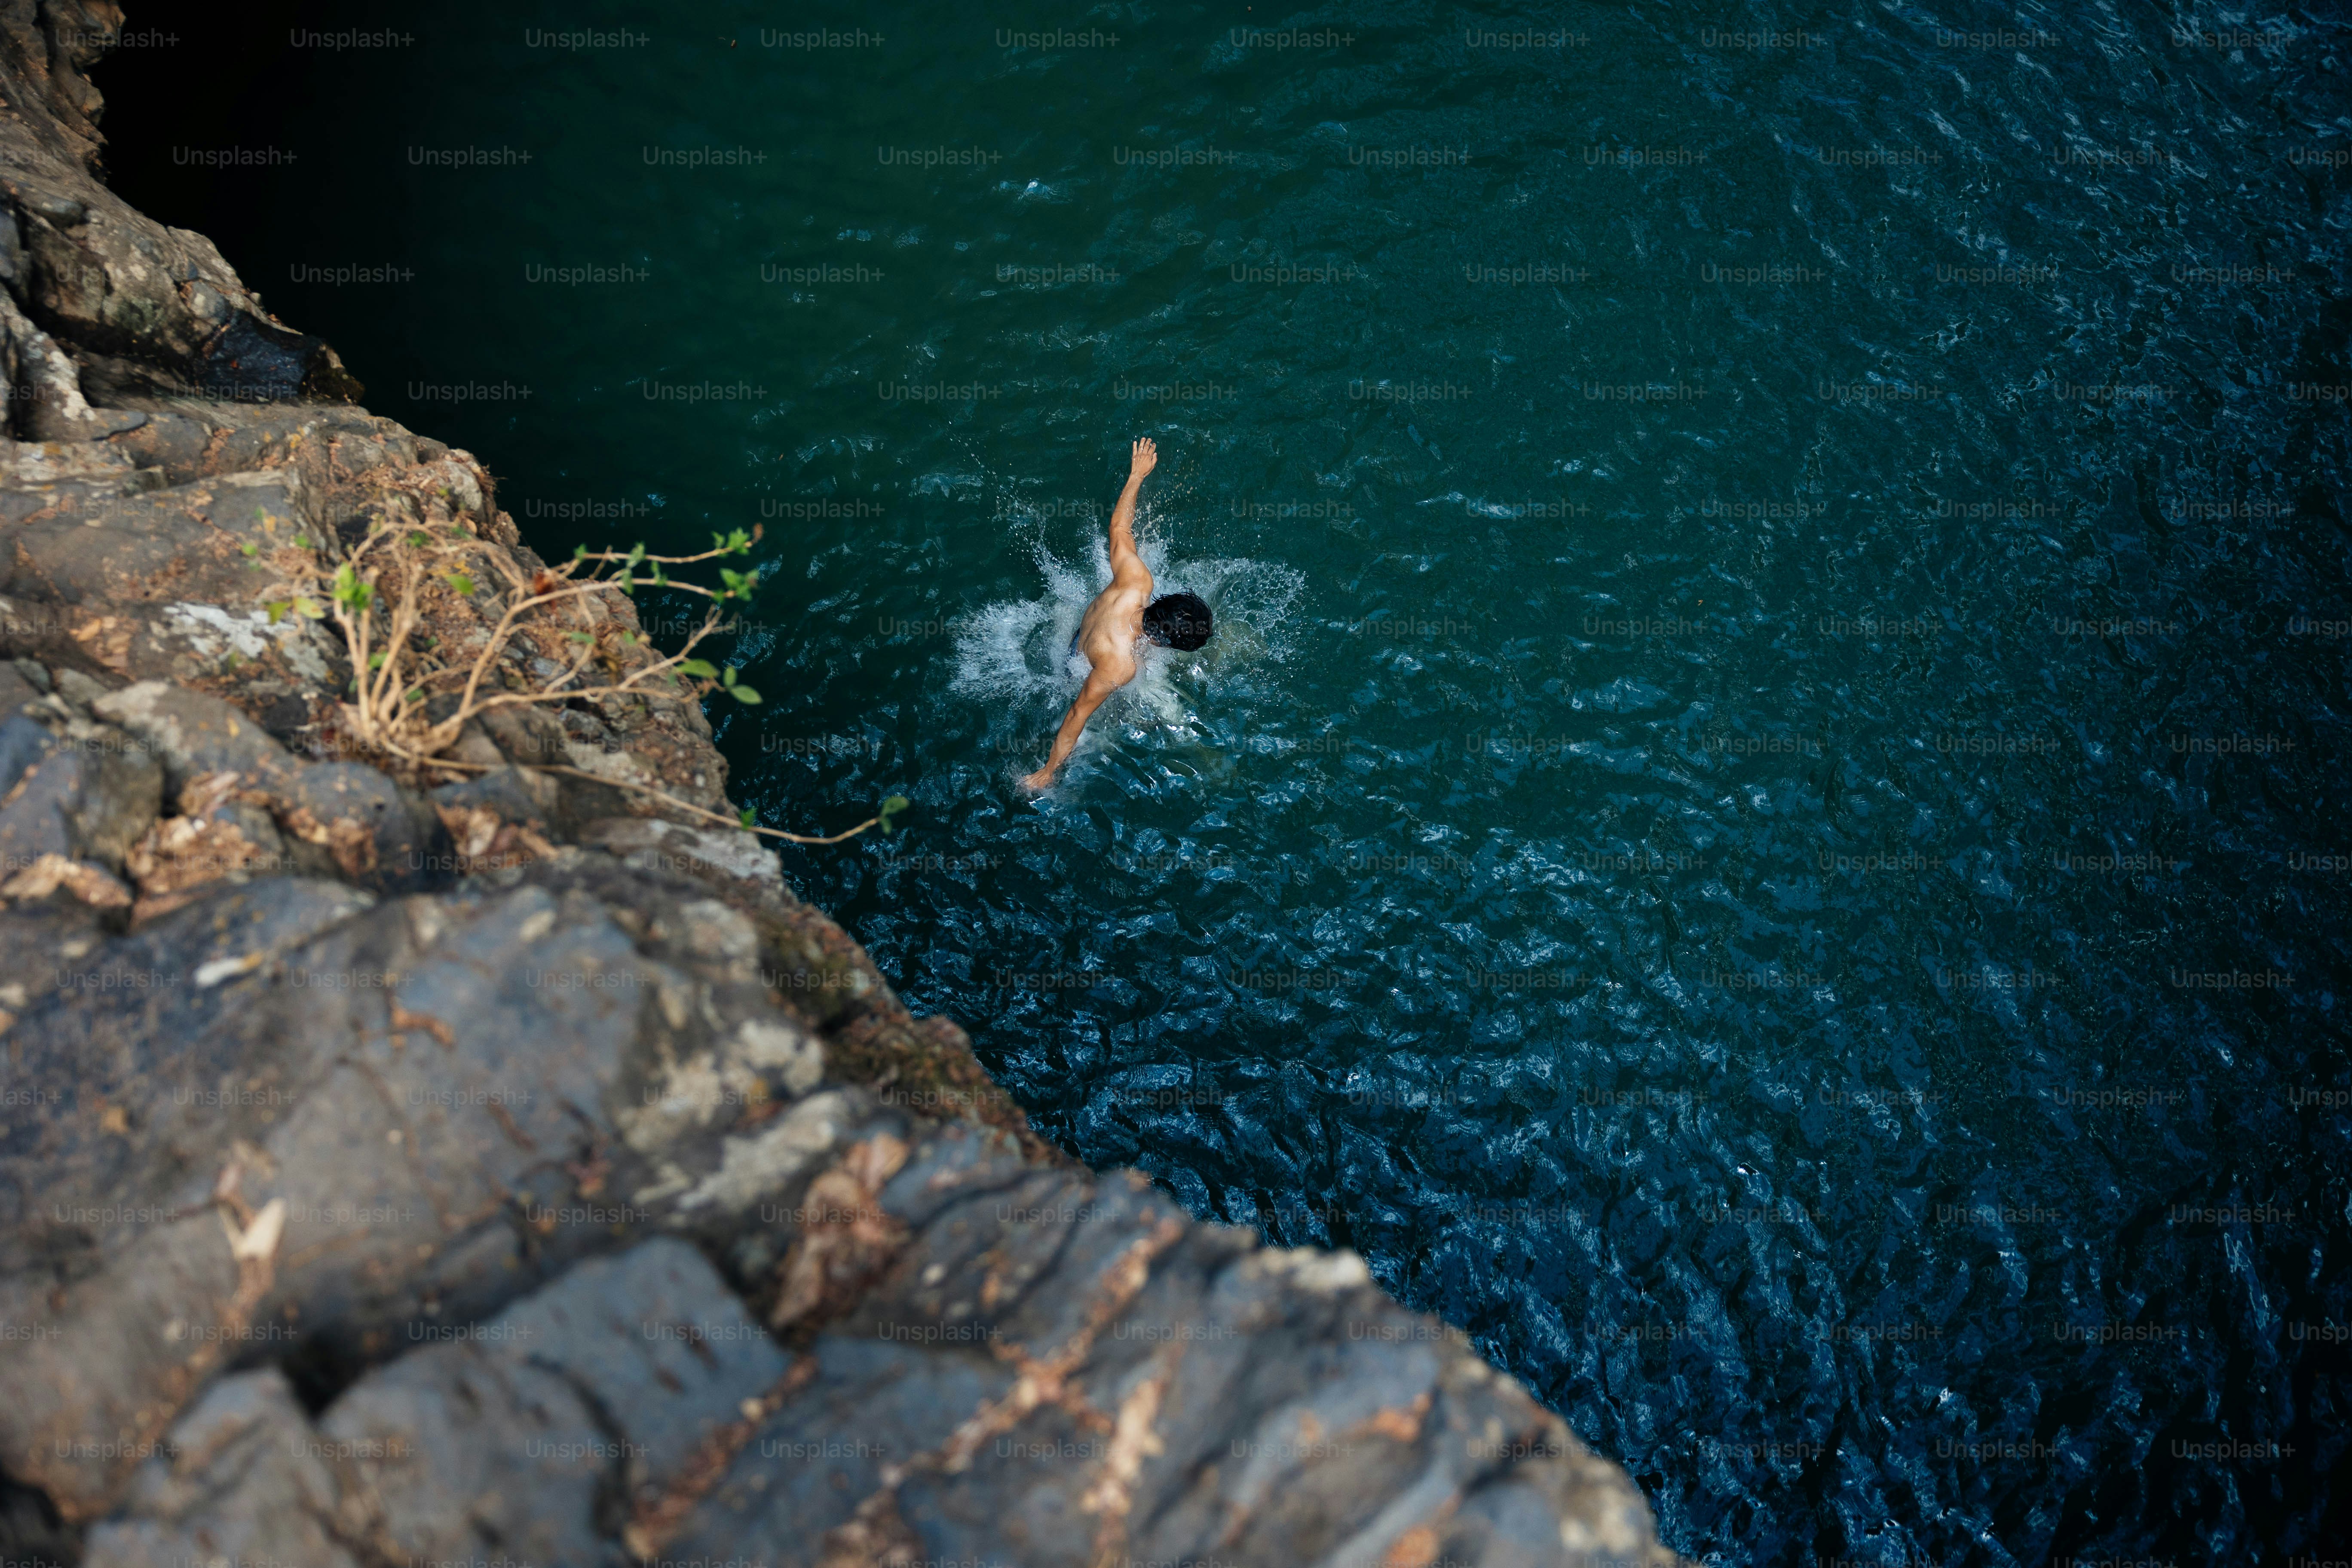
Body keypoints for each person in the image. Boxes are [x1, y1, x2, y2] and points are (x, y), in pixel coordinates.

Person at [1021, 436, 1211, 790]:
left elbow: (1120, 528)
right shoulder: (1120, 666)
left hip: (1083, 631)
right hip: (1074, 667)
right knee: (1161, 716)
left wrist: (1137, 476)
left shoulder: (1136, 581)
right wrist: (1048, 771)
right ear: (1158, 640)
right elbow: (1078, 712)